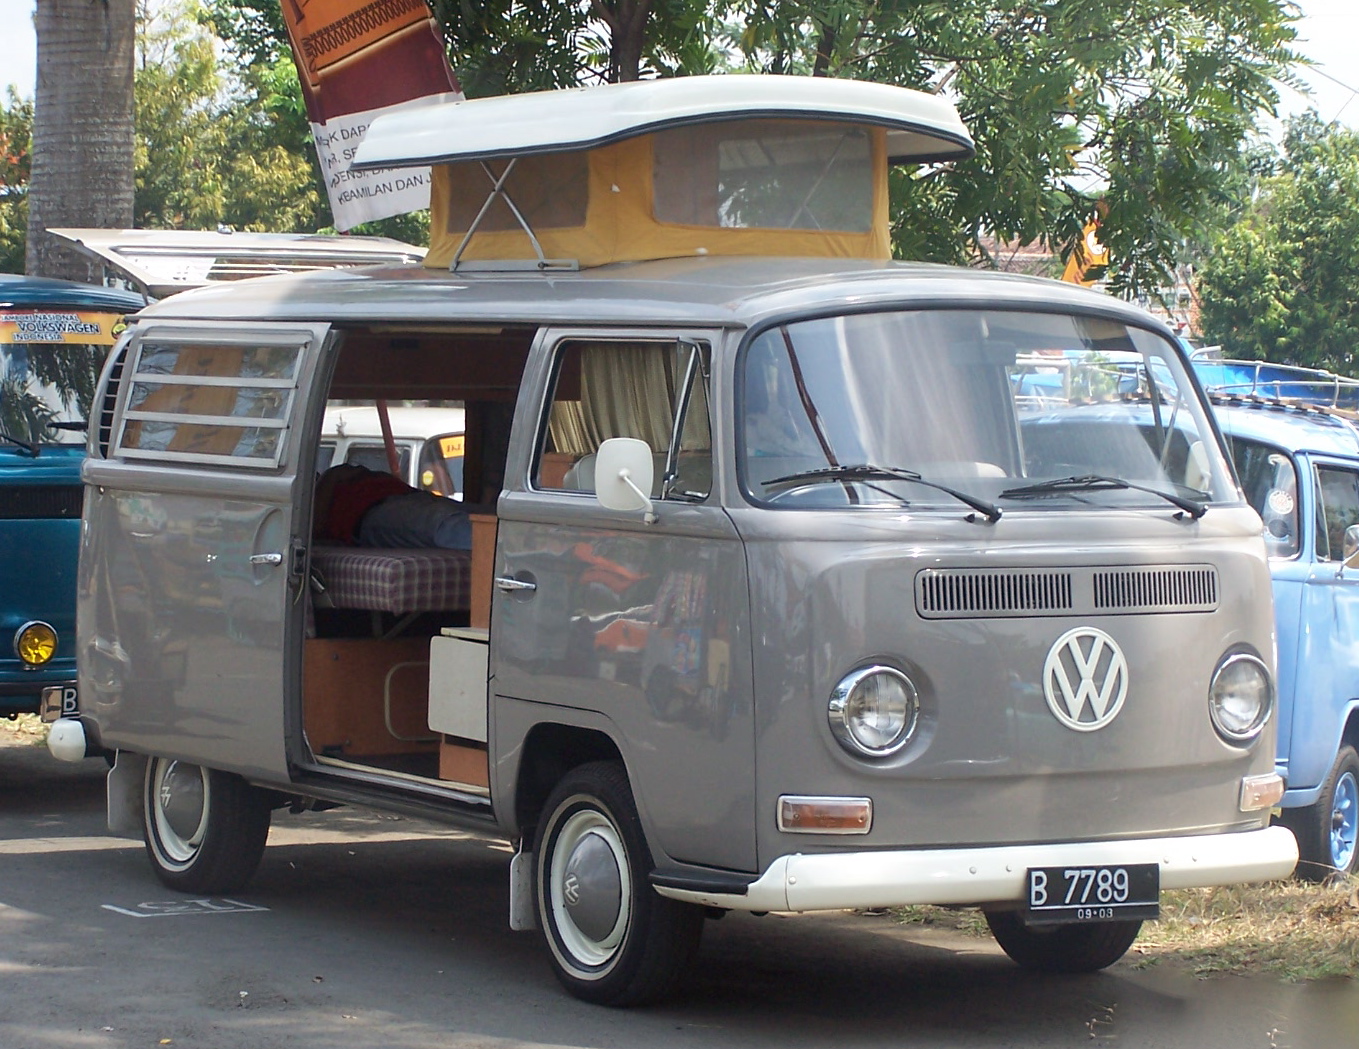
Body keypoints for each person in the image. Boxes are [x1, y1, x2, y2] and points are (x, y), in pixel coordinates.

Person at [314, 463, 472, 550]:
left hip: (407, 496)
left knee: (478, 514)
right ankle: (493, 549)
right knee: (441, 523)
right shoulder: (314, 497)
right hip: (369, 513)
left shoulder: (330, 478)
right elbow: (316, 525)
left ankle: (491, 542)